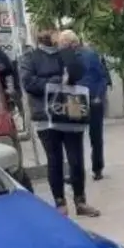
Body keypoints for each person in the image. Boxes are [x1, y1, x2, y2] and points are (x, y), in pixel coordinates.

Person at [19, 28, 101, 217]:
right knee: (54, 160)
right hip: (45, 117)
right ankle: (60, 203)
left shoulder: (65, 54)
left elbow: (78, 73)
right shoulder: (30, 58)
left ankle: (80, 201)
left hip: (70, 113)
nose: (47, 34)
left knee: (76, 159)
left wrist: (68, 52)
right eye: (43, 31)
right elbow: (29, 83)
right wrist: (58, 80)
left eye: (51, 30)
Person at [58, 30, 110, 181]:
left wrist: (99, 96)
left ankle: (97, 168)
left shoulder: (89, 55)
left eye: (63, 43)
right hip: (75, 99)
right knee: (75, 138)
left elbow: (102, 77)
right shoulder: (64, 58)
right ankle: (77, 171)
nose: (61, 46)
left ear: (70, 43)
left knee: (95, 136)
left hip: (91, 99)